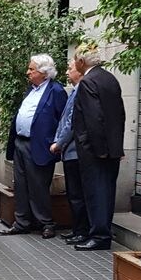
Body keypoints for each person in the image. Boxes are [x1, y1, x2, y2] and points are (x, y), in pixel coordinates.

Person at [0, 54, 67, 239]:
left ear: (44, 73)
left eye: (31, 69)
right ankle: (22, 222)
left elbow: (64, 120)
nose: (27, 72)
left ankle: (46, 223)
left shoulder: (56, 91)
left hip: (40, 146)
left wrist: (57, 143)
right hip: (21, 142)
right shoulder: (31, 90)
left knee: (39, 186)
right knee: (20, 185)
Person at [70, 44, 126, 251]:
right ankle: (100, 233)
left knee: (96, 192)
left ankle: (99, 236)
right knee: (106, 191)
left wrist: (89, 146)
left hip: (95, 151)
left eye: (75, 60)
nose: (74, 64)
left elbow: (93, 118)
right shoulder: (110, 79)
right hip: (110, 148)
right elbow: (119, 115)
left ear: (81, 62)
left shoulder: (88, 82)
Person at [51, 58, 90, 244]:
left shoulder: (81, 91)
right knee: (74, 194)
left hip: (75, 151)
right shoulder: (74, 91)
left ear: (80, 71)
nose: (66, 72)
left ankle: (82, 230)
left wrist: (59, 142)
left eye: (70, 68)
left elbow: (71, 123)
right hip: (70, 151)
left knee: (78, 194)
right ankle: (77, 229)